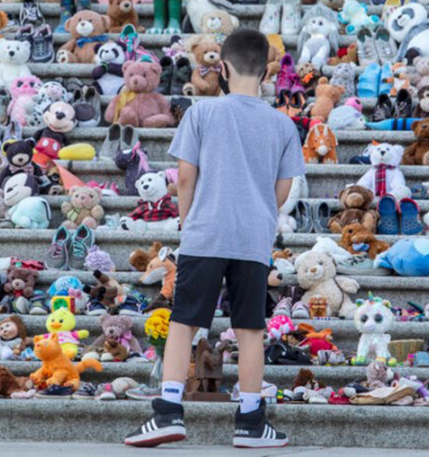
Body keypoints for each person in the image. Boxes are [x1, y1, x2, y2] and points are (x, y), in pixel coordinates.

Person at [124, 29, 305, 449]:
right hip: (253, 238)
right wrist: (259, 213)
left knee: (183, 324)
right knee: (250, 330)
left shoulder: (202, 114)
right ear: (266, 71)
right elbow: (283, 190)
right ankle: (250, 422)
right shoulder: (282, 123)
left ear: (221, 68)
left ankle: (168, 414)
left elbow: (185, 176)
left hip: (205, 232)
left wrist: (189, 219)